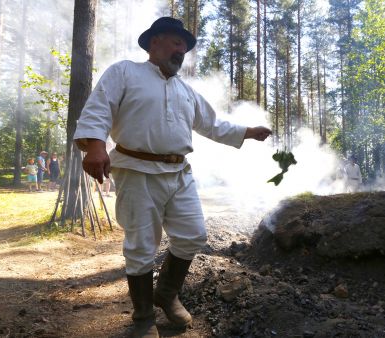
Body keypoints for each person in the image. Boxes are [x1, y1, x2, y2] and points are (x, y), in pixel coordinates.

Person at [73, 17, 272, 338]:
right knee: (141, 245)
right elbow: (99, 108)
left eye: (185, 46)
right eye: (176, 42)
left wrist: (248, 132)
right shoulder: (125, 72)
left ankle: (165, 294)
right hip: (136, 171)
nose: (182, 50)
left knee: (193, 234)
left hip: (179, 172)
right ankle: (142, 317)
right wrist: (95, 145)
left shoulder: (185, 90)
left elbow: (212, 124)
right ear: (155, 43)